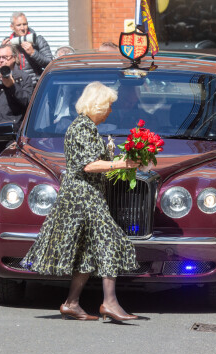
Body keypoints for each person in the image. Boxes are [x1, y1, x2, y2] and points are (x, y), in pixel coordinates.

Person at [22, 81, 145, 321]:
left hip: (86, 194)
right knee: (111, 240)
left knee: (87, 251)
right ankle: (109, 303)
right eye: (108, 106)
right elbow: (88, 165)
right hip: (83, 196)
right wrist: (121, 164)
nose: (110, 110)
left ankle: (71, 303)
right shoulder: (83, 128)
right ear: (97, 105)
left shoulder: (85, 127)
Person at [3, 12, 53, 85]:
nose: (22, 28)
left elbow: (50, 63)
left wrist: (33, 53)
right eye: (19, 25)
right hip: (15, 85)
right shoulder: (7, 42)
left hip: (34, 85)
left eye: (25, 24)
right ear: (12, 27)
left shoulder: (38, 40)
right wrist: (4, 52)